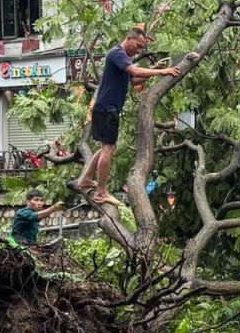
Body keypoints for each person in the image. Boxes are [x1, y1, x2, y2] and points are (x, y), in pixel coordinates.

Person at [74, 26, 190, 208]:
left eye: (142, 48)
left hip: (107, 110)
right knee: (108, 149)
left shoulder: (123, 59)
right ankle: (101, 192)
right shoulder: (116, 53)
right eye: (138, 46)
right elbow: (135, 72)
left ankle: (87, 179)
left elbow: (134, 80)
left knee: (109, 147)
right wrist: (163, 71)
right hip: (107, 109)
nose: (139, 50)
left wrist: (153, 69)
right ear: (129, 39)